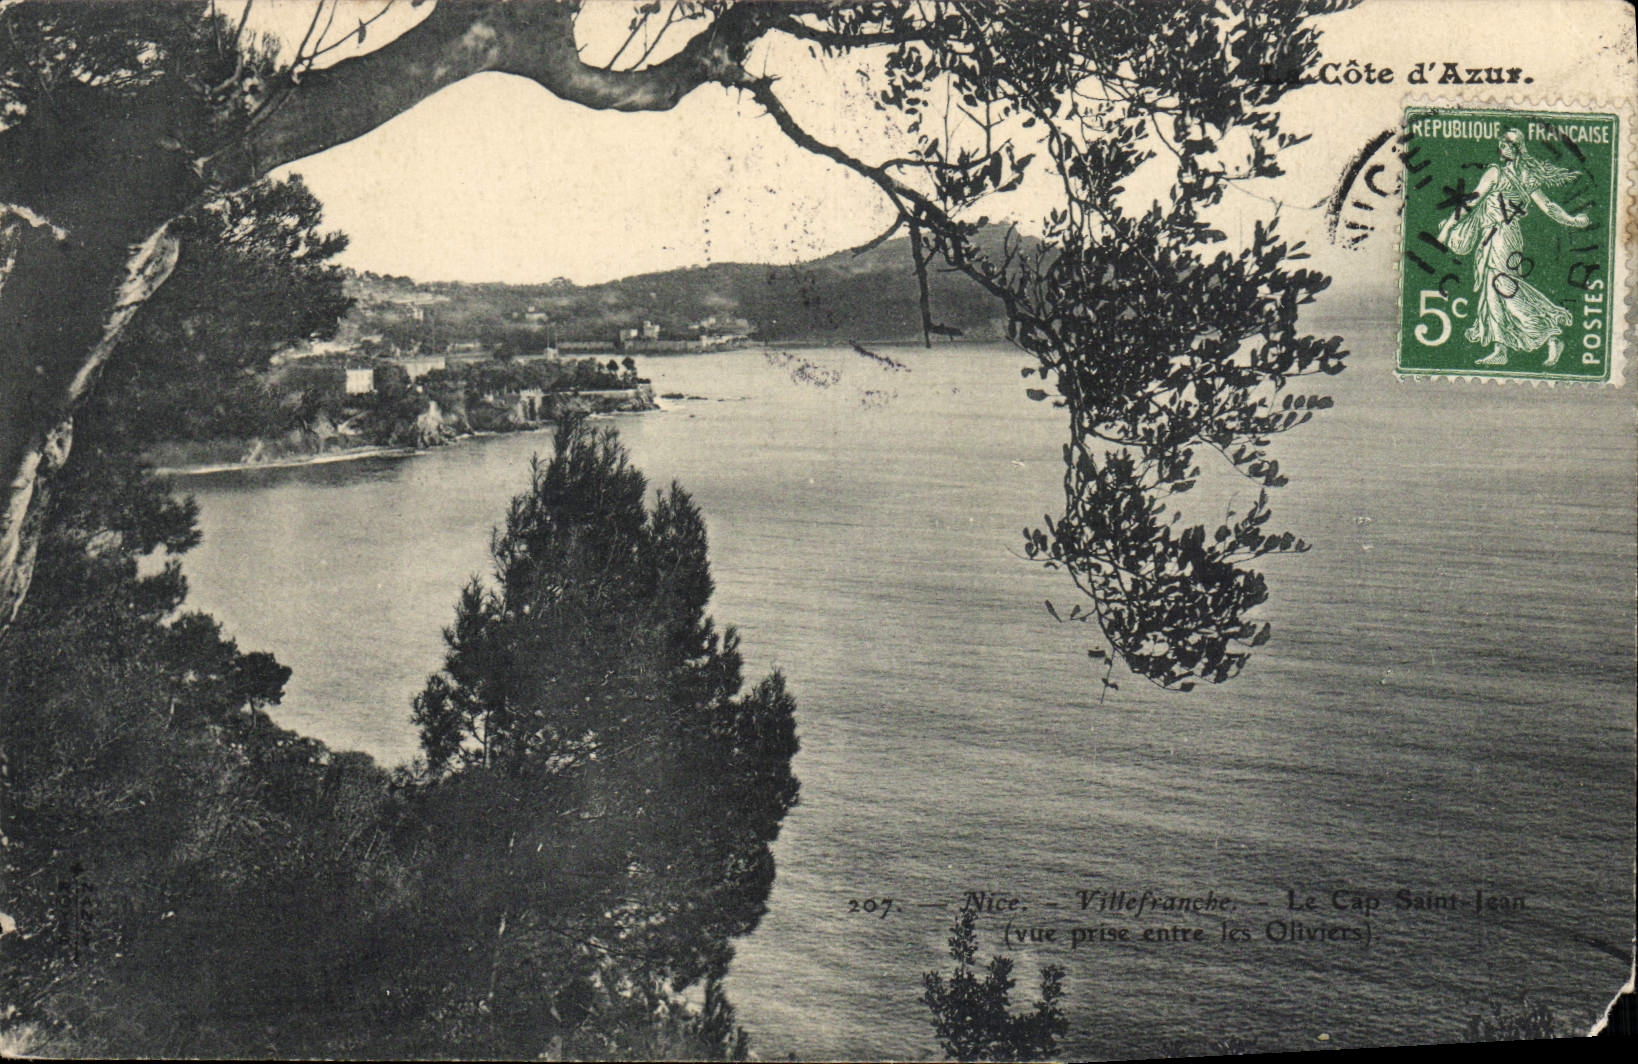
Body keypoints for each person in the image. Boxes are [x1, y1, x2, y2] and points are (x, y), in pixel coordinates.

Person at [1436, 128, 1592, 367]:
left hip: (1500, 237)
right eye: (1501, 144)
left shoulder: (1496, 173)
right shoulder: (1524, 175)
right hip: (1506, 237)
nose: (1502, 148)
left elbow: (1472, 201)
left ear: (1517, 148)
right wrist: (1572, 220)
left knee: (1504, 289)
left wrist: (1448, 227)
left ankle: (1550, 334)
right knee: (1494, 292)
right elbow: (1547, 206)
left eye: (1506, 144)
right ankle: (1501, 349)